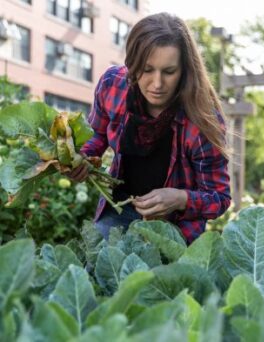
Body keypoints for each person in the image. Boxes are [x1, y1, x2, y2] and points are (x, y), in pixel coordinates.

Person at [68, 12, 231, 244]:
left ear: (184, 70)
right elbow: (98, 134)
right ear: (132, 65)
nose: (157, 84)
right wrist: (82, 157)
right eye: (147, 69)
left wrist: (180, 198)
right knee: (96, 269)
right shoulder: (112, 85)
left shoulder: (202, 121)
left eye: (169, 72)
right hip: (118, 211)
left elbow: (220, 198)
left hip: (175, 229)